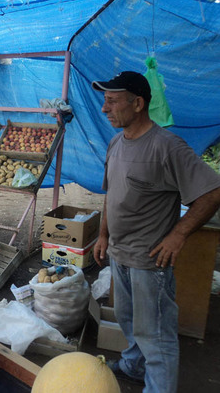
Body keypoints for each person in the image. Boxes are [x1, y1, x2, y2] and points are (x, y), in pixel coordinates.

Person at [92, 71, 220, 392]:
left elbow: (212, 192)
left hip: (150, 261)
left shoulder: (167, 146)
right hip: (119, 252)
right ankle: (135, 365)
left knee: (156, 334)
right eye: (104, 101)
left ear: (138, 104)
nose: (104, 108)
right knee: (128, 318)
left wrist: (179, 234)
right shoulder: (115, 143)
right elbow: (112, 193)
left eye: (112, 101)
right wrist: (104, 234)